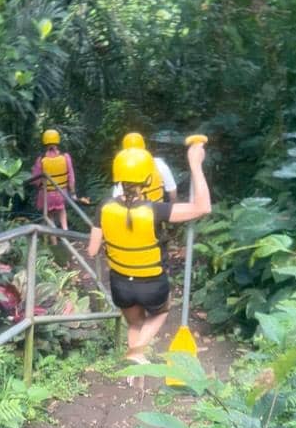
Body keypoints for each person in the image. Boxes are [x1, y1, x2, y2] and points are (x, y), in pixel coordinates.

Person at [87, 141, 210, 367]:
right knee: (162, 311)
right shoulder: (155, 210)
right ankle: (135, 353)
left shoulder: (104, 207)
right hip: (152, 285)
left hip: (120, 284)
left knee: (135, 323)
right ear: (147, 178)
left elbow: (92, 250)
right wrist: (195, 164)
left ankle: (135, 370)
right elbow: (203, 207)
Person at [31, 128, 76, 234]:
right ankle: (66, 233)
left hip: (47, 195)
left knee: (50, 217)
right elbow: (71, 177)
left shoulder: (41, 159)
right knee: (62, 211)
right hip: (62, 193)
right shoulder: (65, 157)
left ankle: (54, 241)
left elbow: (36, 180)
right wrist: (73, 193)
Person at [112, 132, 177, 203]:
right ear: (144, 147)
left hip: (134, 210)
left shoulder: (121, 168)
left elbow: (116, 197)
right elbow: (172, 190)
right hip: (157, 208)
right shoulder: (159, 163)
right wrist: (173, 207)